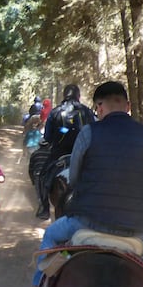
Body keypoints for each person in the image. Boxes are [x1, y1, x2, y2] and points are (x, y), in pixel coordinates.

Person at [30, 81, 143, 287]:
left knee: (51, 234)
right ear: (128, 106)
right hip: (136, 229)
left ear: (99, 108)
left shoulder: (89, 132)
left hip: (89, 222)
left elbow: (74, 178)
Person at [35, 84, 95, 219]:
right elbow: (94, 132)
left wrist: (62, 132)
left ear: (64, 95)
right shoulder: (86, 111)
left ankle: (44, 208)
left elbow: (48, 137)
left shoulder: (55, 112)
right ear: (78, 96)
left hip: (59, 154)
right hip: (84, 154)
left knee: (41, 175)